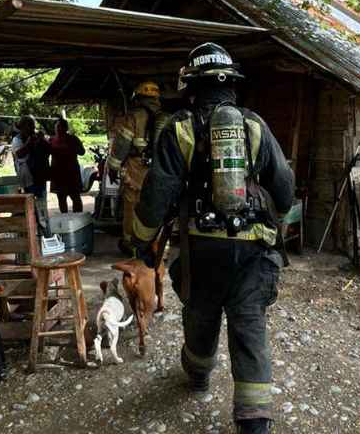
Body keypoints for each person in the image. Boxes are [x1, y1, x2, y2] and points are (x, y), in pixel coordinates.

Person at [131, 43, 294, 434]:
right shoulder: (255, 125)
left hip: (201, 248)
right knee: (249, 327)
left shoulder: (179, 129)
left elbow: (156, 197)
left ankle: (199, 376)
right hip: (254, 249)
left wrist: (142, 244)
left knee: (201, 317)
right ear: (232, 86)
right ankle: (255, 425)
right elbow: (284, 189)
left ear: (191, 86)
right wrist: (277, 226)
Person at [106, 81, 166, 256]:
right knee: (156, 206)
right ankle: (157, 246)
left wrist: (112, 167)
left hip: (136, 172)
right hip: (159, 171)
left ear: (138, 97)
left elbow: (121, 146)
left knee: (132, 207)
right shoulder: (166, 117)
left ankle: (132, 245)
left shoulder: (133, 117)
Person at [49, 117, 85, 213]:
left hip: (71, 174)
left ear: (65, 128)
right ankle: (65, 218)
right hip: (57, 174)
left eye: (60, 127)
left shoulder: (73, 139)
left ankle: (78, 220)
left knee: (75, 198)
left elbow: (82, 152)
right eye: (57, 128)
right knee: (61, 198)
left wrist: (70, 147)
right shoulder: (51, 140)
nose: (58, 130)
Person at [11, 116, 51, 200]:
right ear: (22, 127)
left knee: (41, 203)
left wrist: (43, 140)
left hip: (40, 175)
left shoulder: (36, 136)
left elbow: (49, 151)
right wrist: (29, 142)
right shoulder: (17, 139)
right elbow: (19, 155)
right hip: (28, 177)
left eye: (33, 126)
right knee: (30, 201)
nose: (33, 129)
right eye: (30, 126)